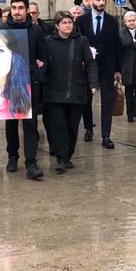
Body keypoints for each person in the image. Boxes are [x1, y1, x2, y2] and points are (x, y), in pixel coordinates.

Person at [43, 12, 98, 173]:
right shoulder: (48, 42)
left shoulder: (81, 41)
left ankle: (68, 155)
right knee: (59, 126)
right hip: (54, 92)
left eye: (70, 22)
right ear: (57, 25)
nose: (68, 25)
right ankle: (61, 158)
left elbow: (90, 63)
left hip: (76, 91)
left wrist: (93, 83)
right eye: (64, 22)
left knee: (72, 127)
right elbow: (42, 63)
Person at [0, 0, 45, 180]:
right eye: (14, 8)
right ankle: (12, 155)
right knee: (11, 122)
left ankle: (31, 162)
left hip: (30, 82)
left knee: (30, 124)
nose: (17, 12)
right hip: (9, 83)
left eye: (20, 8)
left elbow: (43, 57)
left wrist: (37, 72)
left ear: (27, 10)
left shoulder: (36, 31)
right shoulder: (2, 30)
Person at [75, 0, 122, 149]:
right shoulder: (81, 21)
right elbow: (77, 44)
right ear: (91, 1)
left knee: (107, 101)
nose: (101, 2)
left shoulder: (112, 21)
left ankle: (106, 135)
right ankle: (88, 127)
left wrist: (117, 69)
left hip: (107, 67)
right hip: (87, 67)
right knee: (86, 100)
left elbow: (117, 46)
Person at [120, 11, 136, 123]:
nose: (131, 23)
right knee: (129, 92)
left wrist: (134, 45)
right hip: (127, 67)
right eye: (129, 21)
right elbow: (121, 46)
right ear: (125, 22)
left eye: (133, 20)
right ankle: (130, 113)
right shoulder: (121, 32)